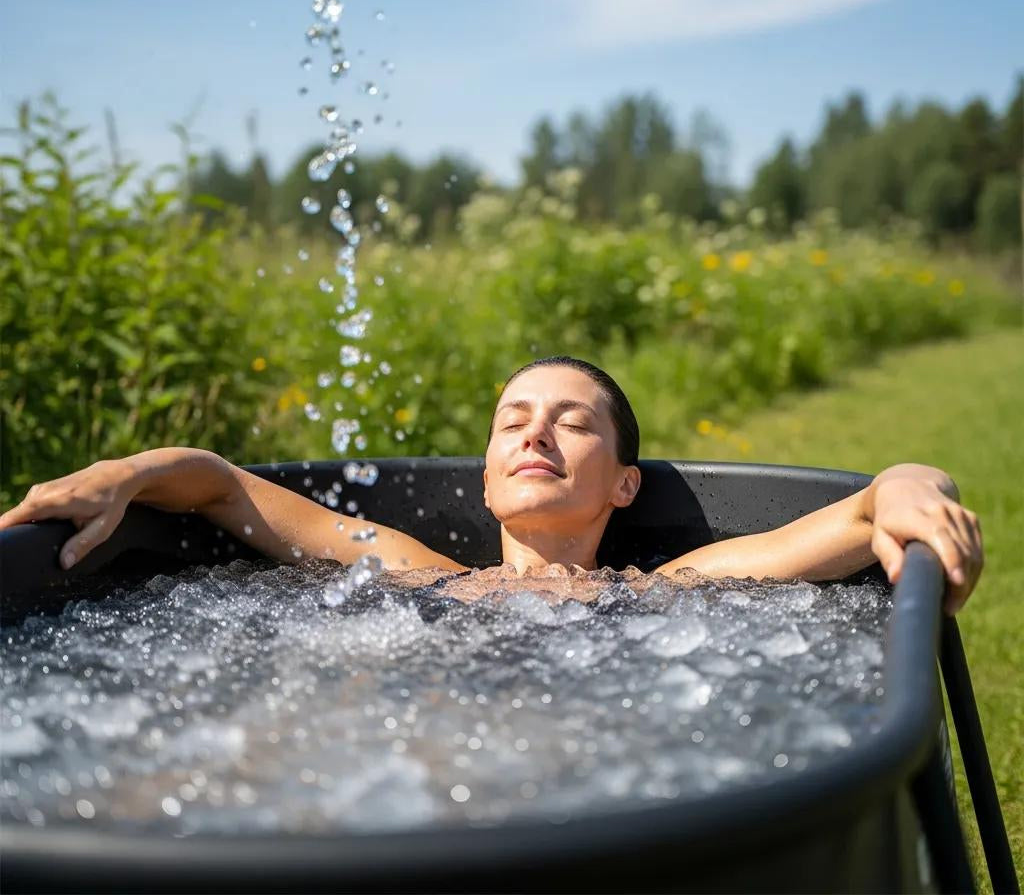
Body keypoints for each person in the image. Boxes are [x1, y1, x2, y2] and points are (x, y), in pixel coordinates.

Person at [0, 356, 983, 615]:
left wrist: (909, 480)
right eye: (512, 421)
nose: (534, 434)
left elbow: (865, 506)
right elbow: (218, 484)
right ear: (485, 476)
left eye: (570, 421)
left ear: (626, 483)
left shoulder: (668, 591)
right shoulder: (417, 574)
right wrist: (123, 474)